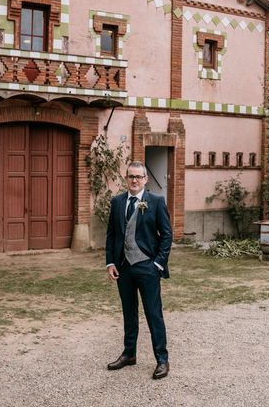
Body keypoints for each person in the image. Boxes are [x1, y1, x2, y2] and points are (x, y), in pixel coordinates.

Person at [105, 160, 172, 380]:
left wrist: (157, 264)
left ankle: (162, 359)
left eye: (138, 177)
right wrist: (110, 262)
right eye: (131, 176)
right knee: (129, 313)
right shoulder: (117, 202)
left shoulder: (156, 201)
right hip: (123, 268)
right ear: (126, 178)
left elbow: (167, 236)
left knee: (154, 314)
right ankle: (129, 354)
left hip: (147, 267)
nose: (134, 180)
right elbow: (112, 235)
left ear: (145, 179)